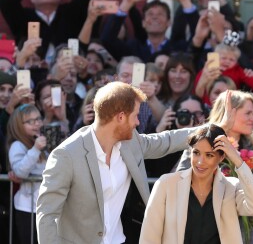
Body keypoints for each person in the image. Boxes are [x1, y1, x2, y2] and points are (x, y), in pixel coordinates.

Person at [35, 81, 214, 244]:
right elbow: (46, 214)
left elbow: (164, 141)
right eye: (135, 116)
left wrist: (211, 129)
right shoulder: (66, 155)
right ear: (120, 117)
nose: (138, 122)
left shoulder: (130, 142)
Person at [139, 123, 253, 244]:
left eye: (209, 155)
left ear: (221, 157)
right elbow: (149, 238)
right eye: (196, 153)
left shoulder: (232, 188)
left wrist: (237, 160)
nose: (200, 162)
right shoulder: (166, 184)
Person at [7, 104, 47, 244]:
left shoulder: (42, 143)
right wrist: (36, 149)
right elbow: (20, 171)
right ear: (19, 125)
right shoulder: (18, 145)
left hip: (45, 206)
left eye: (38, 119)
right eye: (30, 121)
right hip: (27, 208)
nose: (36, 124)